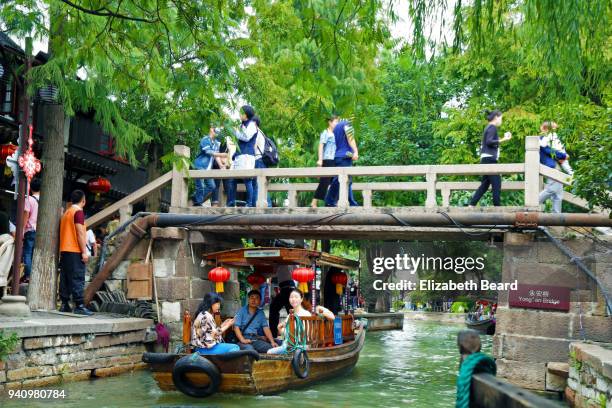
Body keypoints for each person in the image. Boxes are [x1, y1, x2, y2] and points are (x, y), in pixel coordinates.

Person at [267, 289, 334, 354]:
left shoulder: (306, 314)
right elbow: (286, 336)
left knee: (269, 352)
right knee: (274, 344)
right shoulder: (290, 315)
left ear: (301, 299)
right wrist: (279, 329)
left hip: (299, 346)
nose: (293, 299)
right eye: (291, 297)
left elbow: (304, 335)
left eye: (296, 297)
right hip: (290, 344)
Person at [59, 190, 93, 315]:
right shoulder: (78, 212)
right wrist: (84, 252)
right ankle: (79, 305)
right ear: (83, 201)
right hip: (75, 249)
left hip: (64, 249)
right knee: (77, 277)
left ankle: (65, 304)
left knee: (65, 278)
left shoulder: (67, 212)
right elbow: (79, 233)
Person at [468, 110, 512, 206]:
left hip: (486, 159)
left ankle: (471, 204)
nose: (501, 121)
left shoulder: (488, 127)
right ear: (496, 117)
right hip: (490, 159)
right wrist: (503, 139)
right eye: (501, 118)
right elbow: (489, 141)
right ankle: (497, 207)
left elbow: (489, 141)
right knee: (497, 183)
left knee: (485, 185)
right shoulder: (492, 127)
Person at [227, 105, 258, 207]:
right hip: (239, 156)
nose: (239, 115)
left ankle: (249, 204)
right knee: (232, 179)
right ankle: (230, 203)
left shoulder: (252, 125)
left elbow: (246, 137)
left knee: (247, 180)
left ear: (246, 114)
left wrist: (234, 131)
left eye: (241, 113)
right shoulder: (241, 125)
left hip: (247, 156)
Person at [324, 119, 359, 207]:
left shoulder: (335, 128)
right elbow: (350, 137)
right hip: (345, 156)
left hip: (337, 156)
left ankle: (351, 202)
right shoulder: (347, 124)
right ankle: (329, 200)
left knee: (346, 180)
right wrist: (356, 151)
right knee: (340, 179)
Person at [538, 121, 570, 213]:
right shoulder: (542, 139)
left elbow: (556, 149)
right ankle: (533, 203)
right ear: (545, 129)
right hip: (551, 167)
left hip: (557, 166)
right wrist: (563, 156)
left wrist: (561, 158)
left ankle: (556, 217)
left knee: (558, 193)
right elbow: (550, 151)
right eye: (553, 129)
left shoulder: (552, 139)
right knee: (552, 189)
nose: (555, 132)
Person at [193, 127, 227, 206]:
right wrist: (221, 154)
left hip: (208, 168)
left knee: (212, 186)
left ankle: (196, 197)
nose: (218, 133)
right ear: (211, 129)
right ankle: (198, 203)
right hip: (200, 165)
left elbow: (216, 155)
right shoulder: (205, 139)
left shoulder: (215, 143)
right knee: (200, 186)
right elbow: (208, 152)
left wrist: (221, 165)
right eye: (216, 131)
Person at [311, 115, 339, 208]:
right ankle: (314, 202)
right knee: (324, 182)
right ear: (330, 122)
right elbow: (321, 146)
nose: (337, 124)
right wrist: (320, 160)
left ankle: (332, 201)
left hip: (335, 160)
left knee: (335, 182)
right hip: (327, 159)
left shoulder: (336, 133)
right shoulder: (325, 132)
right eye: (335, 122)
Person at [268, 265, 297, 338]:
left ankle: (293, 335)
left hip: (288, 288)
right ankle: (274, 334)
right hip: (285, 289)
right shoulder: (281, 263)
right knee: (275, 308)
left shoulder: (287, 262)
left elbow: (273, 272)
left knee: (291, 312)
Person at [21, 178, 40, 283]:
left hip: (30, 230)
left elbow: (26, 216)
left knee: (27, 254)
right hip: (40, 232)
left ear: (30, 188)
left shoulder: (29, 199)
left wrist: (22, 231)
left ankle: (29, 276)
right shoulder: (45, 200)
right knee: (36, 254)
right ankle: (36, 276)